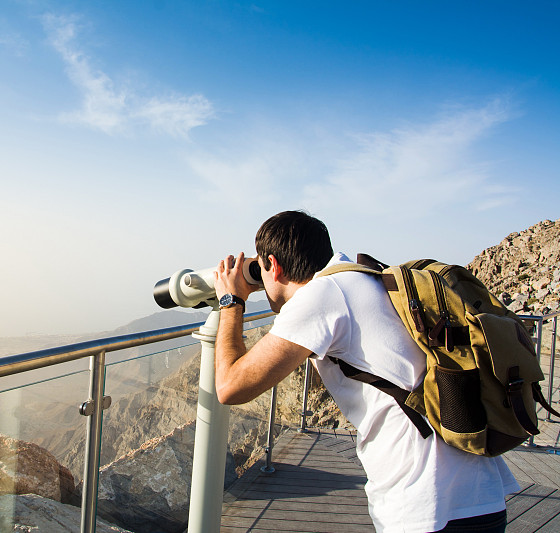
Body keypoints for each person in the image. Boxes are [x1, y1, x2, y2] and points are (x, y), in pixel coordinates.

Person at [212, 210, 518, 533]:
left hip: (427, 505)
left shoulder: (321, 295)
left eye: (260, 269)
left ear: (273, 266)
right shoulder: (366, 277)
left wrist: (232, 301)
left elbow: (230, 386)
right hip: (480, 497)